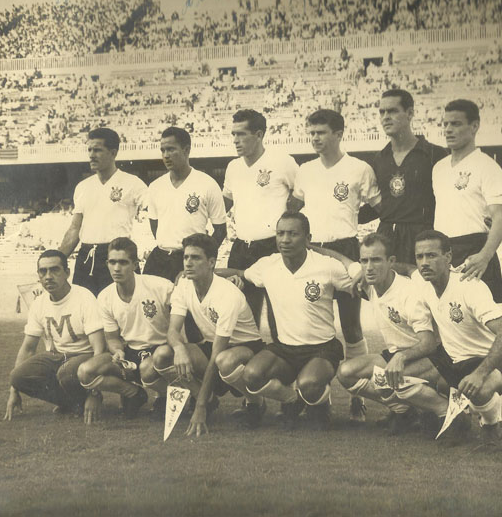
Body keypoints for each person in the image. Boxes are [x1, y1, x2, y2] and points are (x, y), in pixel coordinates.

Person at [289, 109, 381, 422]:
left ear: (339, 134)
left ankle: (358, 396)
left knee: (352, 326)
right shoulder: (305, 170)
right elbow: (298, 207)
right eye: (311, 132)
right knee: (308, 323)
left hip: (345, 248)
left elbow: (378, 208)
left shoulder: (359, 168)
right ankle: (316, 398)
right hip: (312, 250)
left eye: (321, 133)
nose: (315, 138)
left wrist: (355, 223)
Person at [233, 212, 356, 429]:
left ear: (308, 238)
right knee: (251, 375)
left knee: (308, 384)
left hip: (322, 349)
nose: (285, 240)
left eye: (293, 234)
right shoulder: (267, 265)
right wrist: (204, 273)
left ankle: (319, 403)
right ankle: (292, 400)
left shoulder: (327, 266)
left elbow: (359, 280)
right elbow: (241, 274)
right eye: (280, 233)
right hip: (285, 349)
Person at [147, 233, 265, 436]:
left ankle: (256, 402)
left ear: (211, 263)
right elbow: (173, 330)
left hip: (245, 348)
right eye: (186, 257)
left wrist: (198, 408)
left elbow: (217, 354)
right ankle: (209, 400)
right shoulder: (184, 285)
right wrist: (179, 349)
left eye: (196, 258)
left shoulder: (227, 294)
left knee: (224, 360)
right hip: (213, 345)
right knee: (162, 355)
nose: (188, 263)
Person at [335, 233, 450, 435]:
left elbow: (429, 343)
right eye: (364, 260)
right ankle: (404, 411)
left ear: (391, 262)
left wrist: (400, 358)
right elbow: (343, 260)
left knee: (387, 379)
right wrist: (308, 246)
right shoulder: (368, 283)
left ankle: (442, 409)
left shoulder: (409, 293)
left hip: (431, 357)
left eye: (376, 260)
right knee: (346, 372)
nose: (369, 267)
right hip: (399, 355)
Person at [411, 230, 502, 444]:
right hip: (452, 363)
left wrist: (480, 374)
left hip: (486, 361)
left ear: (448, 257)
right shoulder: (423, 284)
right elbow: (405, 270)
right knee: (397, 380)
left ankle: (491, 423)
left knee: (479, 389)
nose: (424, 263)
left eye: (431, 255)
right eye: (419, 256)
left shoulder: (470, 286)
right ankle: (453, 414)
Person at [4, 250, 105, 424]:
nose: (48, 276)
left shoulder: (84, 297)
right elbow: (28, 348)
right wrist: (14, 391)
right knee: (18, 376)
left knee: (66, 371)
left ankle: (84, 399)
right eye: (43, 271)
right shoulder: (39, 303)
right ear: (38, 275)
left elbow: (99, 348)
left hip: (84, 357)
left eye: (54, 270)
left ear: (67, 272)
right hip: (57, 356)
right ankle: (71, 403)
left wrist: (94, 392)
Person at [78, 237, 173, 421]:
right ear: (106, 263)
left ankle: (168, 395)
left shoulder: (160, 286)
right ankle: (134, 393)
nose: (116, 268)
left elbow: (181, 320)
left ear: (135, 264)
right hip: (131, 353)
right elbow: (112, 337)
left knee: (148, 367)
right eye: (112, 262)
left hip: (162, 351)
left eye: (123, 262)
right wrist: (118, 351)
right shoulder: (105, 297)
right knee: (86, 371)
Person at [223, 109, 298, 327]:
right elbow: (224, 202)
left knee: (280, 315)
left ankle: (285, 357)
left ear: (259, 134)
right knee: (244, 315)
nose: (236, 140)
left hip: (273, 247)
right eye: (233, 134)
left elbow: (302, 195)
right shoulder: (233, 167)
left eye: (241, 134)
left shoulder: (282, 162)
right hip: (241, 248)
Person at [432, 99, 502, 303]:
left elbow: (500, 218)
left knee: (484, 324)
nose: (448, 130)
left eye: (456, 124)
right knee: (447, 320)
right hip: (443, 252)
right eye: (445, 124)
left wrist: (484, 257)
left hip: (475, 251)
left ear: (474, 126)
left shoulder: (487, 166)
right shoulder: (438, 168)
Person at [58, 127, 147, 296]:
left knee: (123, 311)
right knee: (85, 311)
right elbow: (75, 228)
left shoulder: (133, 183)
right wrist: (58, 259)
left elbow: (156, 212)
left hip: (117, 256)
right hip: (86, 257)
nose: (91, 155)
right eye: (89, 149)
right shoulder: (83, 187)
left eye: (97, 150)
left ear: (113, 152)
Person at [373, 88, 447, 275]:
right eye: (382, 112)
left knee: (423, 297)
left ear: (410, 113)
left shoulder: (434, 154)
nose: (385, 117)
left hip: (422, 237)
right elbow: (377, 205)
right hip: (386, 236)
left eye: (393, 111)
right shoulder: (379, 158)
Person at [143, 127, 227, 283]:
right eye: (163, 150)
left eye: (171, 149)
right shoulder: (155, 186)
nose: (166, 155)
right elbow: (154, 225)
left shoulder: (207, 184)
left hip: (188, 260)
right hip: (159, 258)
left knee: (186, 306)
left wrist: (200, 256)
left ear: (186, 150)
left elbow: (221, 230)